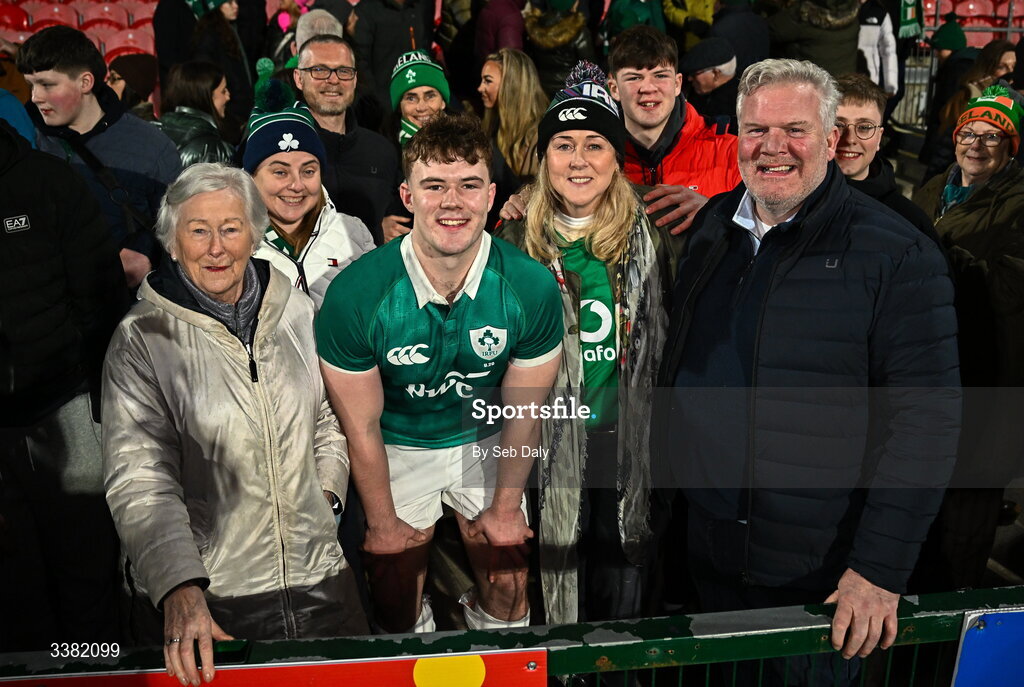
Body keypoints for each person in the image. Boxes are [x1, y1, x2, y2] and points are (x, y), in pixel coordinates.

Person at [659, 59, 960, 685]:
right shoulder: (713, 229)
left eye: (794, 130)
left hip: (820, 584)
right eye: (756, 130)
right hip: (707, 563)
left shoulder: (897, 254)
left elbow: (927, 425)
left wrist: (878, 570)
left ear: (830, 139)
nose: (773, 148)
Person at [102, 163, 369, 683]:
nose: (216, 248)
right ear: (172, 243)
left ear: (255, 233)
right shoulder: (142, 339)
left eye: (230, 228)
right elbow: (140, 480)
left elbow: (328, 415)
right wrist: (180, 586)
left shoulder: (294, 309)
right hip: (216, 601)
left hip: (322, 584)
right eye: (198, 231)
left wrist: (327, 497)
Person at [315, 113, 563, 635]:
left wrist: (505, 510)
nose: (452, 202)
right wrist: (382, 523)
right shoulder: (356, 294)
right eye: (434, 186)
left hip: (485, 436)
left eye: (468, 185)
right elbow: (360, 427)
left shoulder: (530, 286)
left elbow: (525, 412)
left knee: (510, 582)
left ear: (491, 196)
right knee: (394, 591)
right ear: (407, 196)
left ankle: (492, 649)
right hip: (397, 441)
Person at [495, 62, 685, 625]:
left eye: (595, 145)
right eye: (563, 145)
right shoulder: (511, 240)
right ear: (543, 158)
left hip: (632, 443)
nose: (578, 160)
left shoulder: (659, 230)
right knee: (556, 575)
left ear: (616, 156)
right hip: (542, 448)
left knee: (624, 582)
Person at [0, 118, 128, 652]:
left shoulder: (48, 182)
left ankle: (92, 672)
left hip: (66, 406)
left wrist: (93, 396)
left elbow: (100, 296)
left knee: (87, 574)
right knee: (14, 588)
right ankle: (30, 676)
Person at [911, 87, 1024, 594]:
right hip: (932, 365)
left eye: (992, 136)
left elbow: (1009, 288)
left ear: (1011, 147)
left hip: (990, 377)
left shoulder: (1018, 203)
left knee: (966, 513)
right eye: (968, 132)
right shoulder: (935, 186)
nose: (976, 145)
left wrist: (934, 258)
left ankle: (954, 620)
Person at [16, 26, 182, 288]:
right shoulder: (20, 141)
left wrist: (144, 252)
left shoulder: (152, 146)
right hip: (44, 299)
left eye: (47, 85)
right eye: (31, 85)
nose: (35, 97)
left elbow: (178, 225)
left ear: (85, 82)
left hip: (125, 301)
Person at [607, 26, 741, 233]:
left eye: (660, 75)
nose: (648, 88)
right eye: (634, 78)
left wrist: (715, 213)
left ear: (677, 84)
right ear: (614, 88)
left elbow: (770, 234)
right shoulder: (597, 159)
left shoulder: (731, 152)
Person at [244, 102, 375, 307]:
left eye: (308, 171)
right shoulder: (234, 243)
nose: (296, 185)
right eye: (280, 172)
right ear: (251, 177)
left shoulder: (353, 232)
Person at [293, 33, 404, 245]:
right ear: (299, 78)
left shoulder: (381, 151)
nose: (333, 80)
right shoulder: (279, 147)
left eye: (343, 71)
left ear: (354, 79)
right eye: (320, 70)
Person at [833, 73, 936, 241]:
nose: (850, 139)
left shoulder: (910, 221)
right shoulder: (793, 203)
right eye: (838, 125)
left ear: (879, 137)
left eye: (864, 127)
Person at [349, 0, 433, 116]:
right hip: (382, 108)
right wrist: (379, 102)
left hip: (416, 100)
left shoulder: (420, 7)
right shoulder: (366, 10)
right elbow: (360, 62)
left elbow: (425, 49)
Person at [479, 47, 547, 181]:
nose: (480, 88)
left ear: (511, 85)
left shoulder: (541, 137)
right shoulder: (491, 128)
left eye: (488, 81)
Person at [190, 0, 253, 137]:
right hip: (229, 110)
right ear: (215, 6)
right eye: (229, 2)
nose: (236, 6)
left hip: (238, 108)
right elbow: (208, 81)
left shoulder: (229, 29)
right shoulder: (209, 36)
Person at [158, 60, 235, 166]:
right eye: (223, 91)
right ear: (205, 95)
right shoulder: (213, 150)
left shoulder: (153, 135)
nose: (228, 96)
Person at [524, 0, 596, 98]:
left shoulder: (535, 29)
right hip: (572, 93)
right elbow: (589, 69)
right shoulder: (579, 32)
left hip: (542, 90)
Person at [679, 37, 739, 122]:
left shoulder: (737, 109)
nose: (689, 78)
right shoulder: (694, 92)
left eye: (694, 74)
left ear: (716, 73)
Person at [709, 0, 770, 76]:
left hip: (735, 79)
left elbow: (716, 66)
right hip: (760, 76)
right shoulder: (761, 21)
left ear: (721, 4)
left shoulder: (719, 28)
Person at [856, 0, 897, 97]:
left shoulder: (879, 12)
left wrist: (890, 84)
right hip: (843, 75)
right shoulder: (841, 10)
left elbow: (889, 49)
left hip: (870, 77)